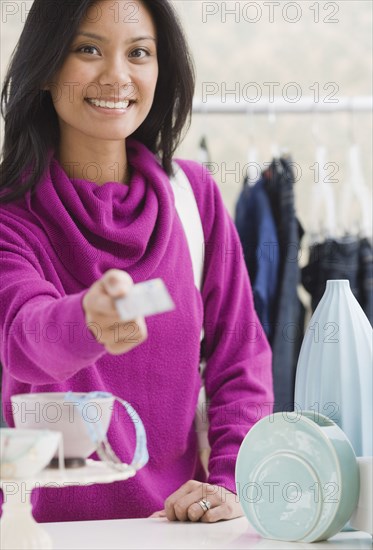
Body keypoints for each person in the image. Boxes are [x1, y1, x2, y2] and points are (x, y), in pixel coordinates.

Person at [0, 0, 273, 523]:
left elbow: (240, 363)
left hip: (174, 532)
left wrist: (231, 482)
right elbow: (23, 336)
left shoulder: (195, 199)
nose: (117, 76)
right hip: (36, 536)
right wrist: (86, 321)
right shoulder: (12, 219)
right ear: (45, 65)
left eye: (139, 53)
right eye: (87, 49)